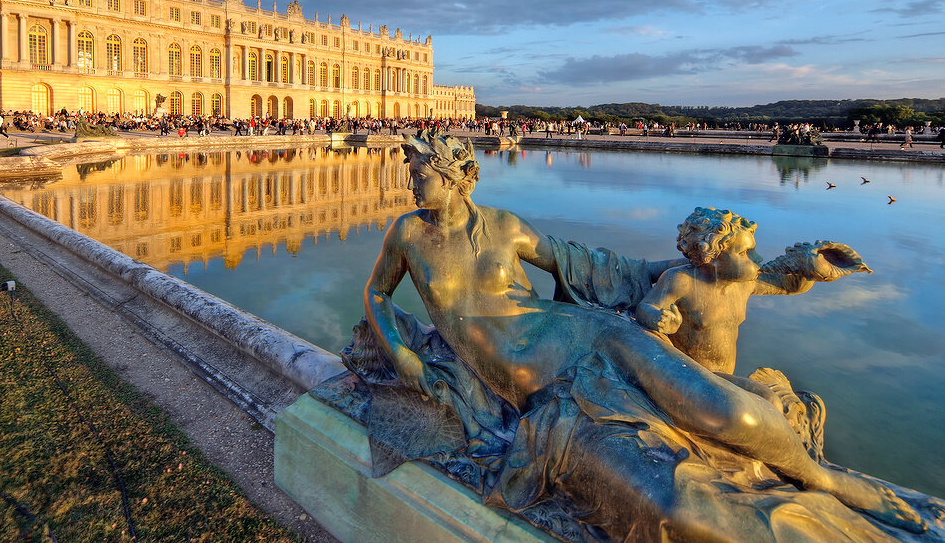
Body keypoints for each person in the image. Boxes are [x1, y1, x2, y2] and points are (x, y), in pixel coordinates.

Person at [364, 132, 924, 539]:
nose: (411, 181)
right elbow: (378, 295)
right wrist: (404, 357)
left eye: (422, 172)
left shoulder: (504, 226)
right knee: (675, 503)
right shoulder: (407, 233)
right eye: (411, 172)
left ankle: (819, 477)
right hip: (544, 388)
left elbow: (581, 265)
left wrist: (684, 272)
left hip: (587, 333)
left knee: (728, 412)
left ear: (458, 175)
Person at [635, 207, 869, 377]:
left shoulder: (744, 283)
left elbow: (788, 287)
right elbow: (646, 307)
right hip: (690, 375)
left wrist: (810, 271)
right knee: (767, 402)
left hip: (725, 376)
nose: (756, 260)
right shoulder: (681, 280)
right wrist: (659, 319)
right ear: (711, 258)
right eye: (745, 254)